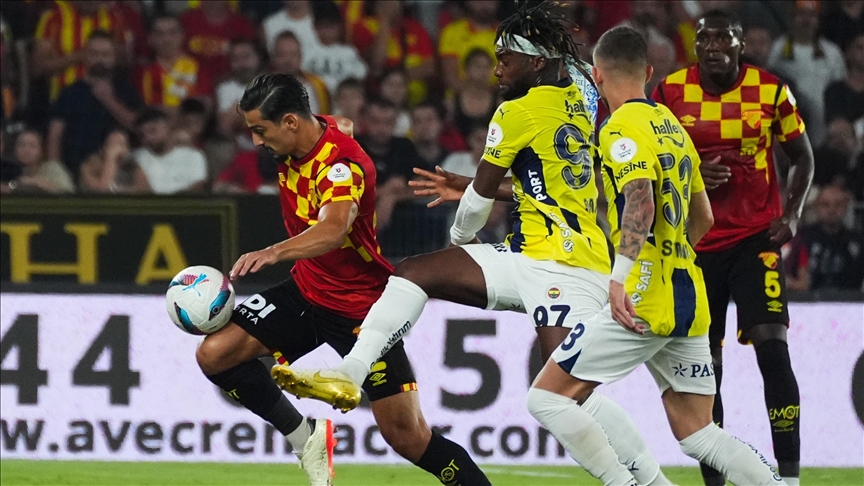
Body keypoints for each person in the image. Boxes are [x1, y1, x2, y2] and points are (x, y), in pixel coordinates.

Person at [269, 6, 679, 486]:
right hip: (550, 251)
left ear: (538, 62)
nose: (497, 66)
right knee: (412, 273)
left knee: (568, 394)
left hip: (561, 266)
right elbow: (543, 183)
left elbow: (476, 206)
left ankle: (645, 482)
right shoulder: (585, 94)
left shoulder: (516, 112)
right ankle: (352, 372)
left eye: (508, 57)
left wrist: (462, 239)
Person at [198, 73, 491, 486]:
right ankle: (307, 438)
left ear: (290, 123)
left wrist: (274, 251)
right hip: (306, 292)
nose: (257, 141)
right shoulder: (317, 130)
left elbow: (335, 228)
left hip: (362, 311)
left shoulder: (340, 167)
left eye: (260, 130)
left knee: (408, 437)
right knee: (215, 355)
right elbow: (341, 124)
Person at [528, 25, 787, 486]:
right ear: (648, 72)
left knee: (547, 399)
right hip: (690, 293)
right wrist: (672, 255)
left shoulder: (620, 127)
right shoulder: (672, 125)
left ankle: (625, 484)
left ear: (595, 76)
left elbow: (641, 203)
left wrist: (621, 276)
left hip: (643, 296)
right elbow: (703, 216)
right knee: (700, 434)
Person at [652, 10, 814, 486]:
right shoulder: (669, 93)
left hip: (755, 240)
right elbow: (655, 160)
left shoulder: (771, 90)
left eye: (725, 38)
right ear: (696, 46)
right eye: (706, 39)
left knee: (772, 347)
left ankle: (789, 478)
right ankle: (716, 482)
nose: (715, 46)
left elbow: (802, 156)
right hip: (696, 246)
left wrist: (793, 215)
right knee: (707, 366)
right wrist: (693, 172)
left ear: (742, 45)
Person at [47, 30, 142, 180]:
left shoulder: (126, 90)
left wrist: (110, 101)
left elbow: (138, 126)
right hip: (73, 170)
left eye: (105, 55)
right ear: (85, 56)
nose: (100, 59)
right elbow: (55, 135)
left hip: (117, 172)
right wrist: (56, 171)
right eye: (94, 54)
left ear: (114, 58)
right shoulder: (70, 92)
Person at [767, 0, 846, 145]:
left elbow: (840, 88)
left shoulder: (832, 52)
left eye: (812, 15)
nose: (806, 20)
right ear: (793, 18)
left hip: (823, 122)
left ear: (818, 20)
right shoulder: (777, 49)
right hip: (789, 117)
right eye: (801, 14)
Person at [785, 184, 864, 291]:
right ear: (816, 206)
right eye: (825, 205)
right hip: (807, 302)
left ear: (846, 207)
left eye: (838, 205)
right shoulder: (802, 238)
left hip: (850, 302)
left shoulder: (858, 241)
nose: (831, 210)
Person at [135, 14, 213, 114]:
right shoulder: (142, 72)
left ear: (182, 35)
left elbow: (205, 103)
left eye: (172, 33)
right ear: (150, 39)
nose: (167, 39)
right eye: (160, 34)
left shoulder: (197, 67)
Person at [132, 109, 207, 195]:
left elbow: (197, 186)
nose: (148, 138)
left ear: (168, 127)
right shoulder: (136, 158)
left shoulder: (194, 156)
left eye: (153, 131)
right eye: (142, 135)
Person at [79, 129, 150, 194]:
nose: (117, 148)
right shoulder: (88, 167)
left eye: (121, 144)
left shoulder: (134, 167)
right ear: (103, 148)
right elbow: (101, 193)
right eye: (113, 144)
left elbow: (146, 192)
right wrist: (110, 159)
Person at [6, 128, 75, 194]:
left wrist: (35, 182)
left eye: (32, 146)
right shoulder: (9, 170)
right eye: (22, 145)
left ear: (41, 150)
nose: (26, 150)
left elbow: (68, 191)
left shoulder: (52, 168)